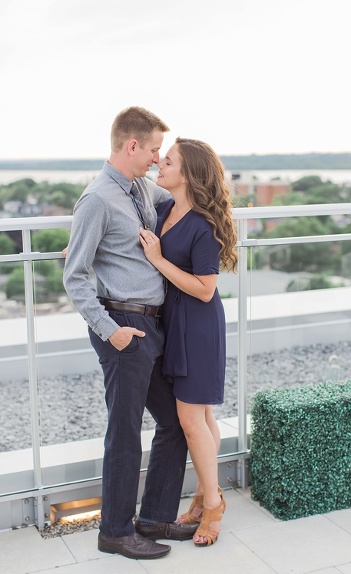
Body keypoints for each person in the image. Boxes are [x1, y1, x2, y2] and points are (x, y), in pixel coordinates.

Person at [63, 107, 197, 560]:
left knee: (175, 422)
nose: (158, 158)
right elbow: (74, 277)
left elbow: (181, 198)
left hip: (153, 325)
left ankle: (154, 518)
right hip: (123, 327)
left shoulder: (141, 188)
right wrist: (111, 331)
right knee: (124, 433)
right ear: (132, 145)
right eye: (155, 149)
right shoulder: (96, 200)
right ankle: (115, 532)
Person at [138, 137, 238, 547]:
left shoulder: (203, 225)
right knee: (203, 417)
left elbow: (205, 289)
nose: (159, 164)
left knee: (191, 421)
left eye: (169, 160)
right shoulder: (165, 208)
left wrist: (159, 260)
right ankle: (202, 496)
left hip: (197, 326)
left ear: (189, 173)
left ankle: (213, 506)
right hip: (172, 323)